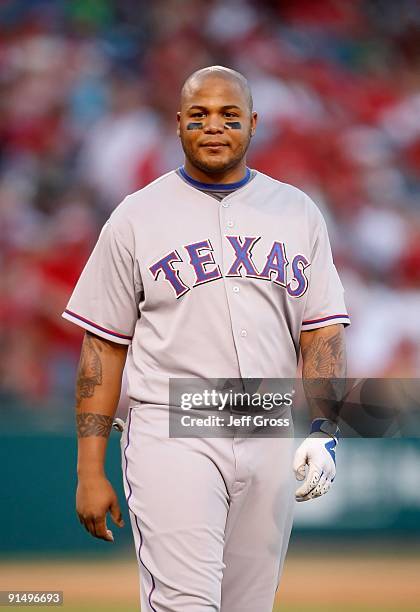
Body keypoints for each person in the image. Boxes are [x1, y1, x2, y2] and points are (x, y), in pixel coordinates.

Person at [63, 66, 349, 612]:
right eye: (199, 115)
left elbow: (323, 333)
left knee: (249, 606)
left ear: (253, 124)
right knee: (185, 604)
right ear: (178, 125)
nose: (213, 126)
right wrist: (88, 469)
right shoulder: (136, 216)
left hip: (264, 424)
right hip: (171, 428)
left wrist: (324, 429)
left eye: (228, 115)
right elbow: (102, 349)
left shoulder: (298, 212)